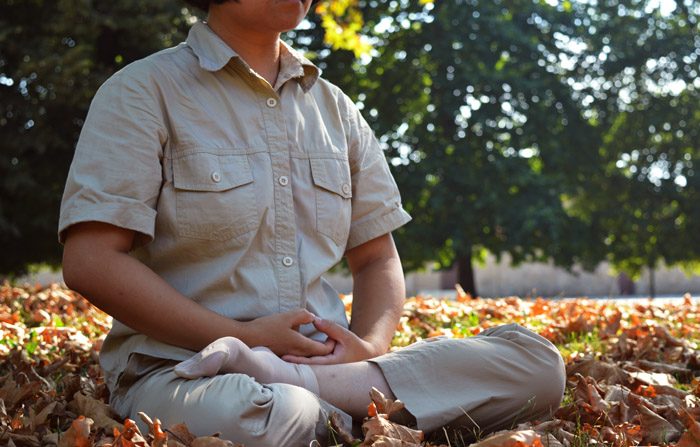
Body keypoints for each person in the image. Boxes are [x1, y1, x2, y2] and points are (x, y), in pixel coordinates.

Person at [59, 0, 566, 445]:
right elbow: (91, 261)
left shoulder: (336, 111)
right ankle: (338, 406)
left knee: (538, 366)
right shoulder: (141, 92)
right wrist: (243, 337)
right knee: (269, 415)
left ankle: (328, 395)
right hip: (185, 372)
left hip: (330, 368)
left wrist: (367, 349)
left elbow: (376, 258)